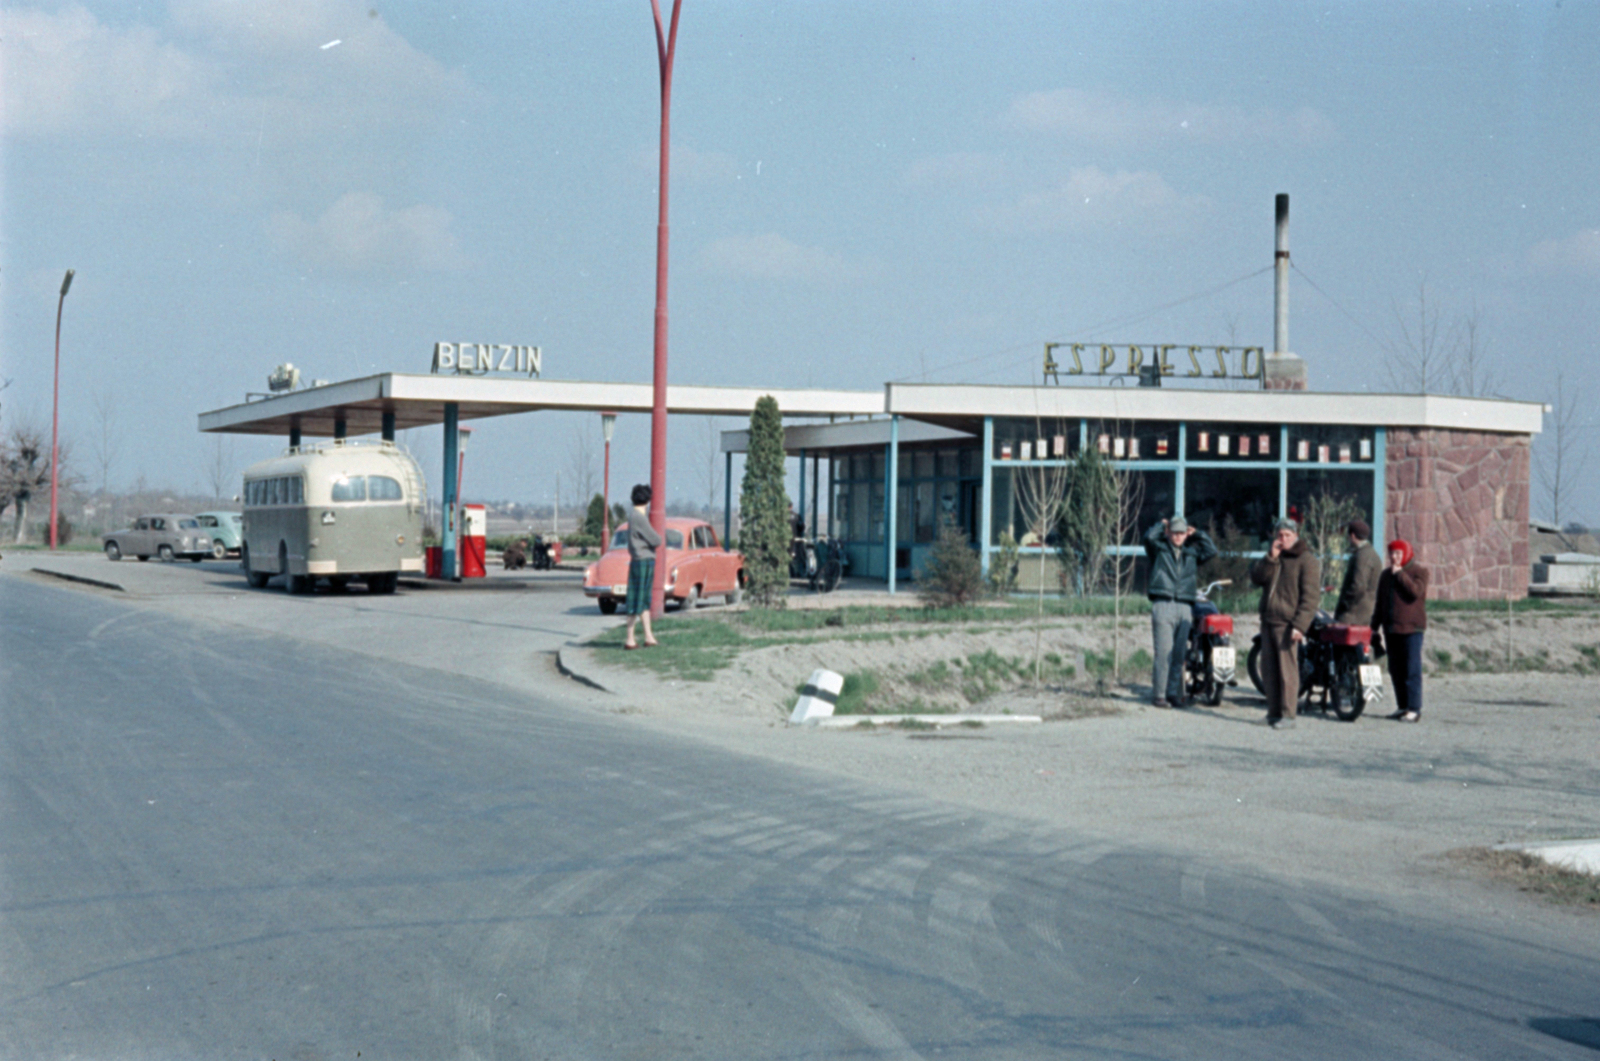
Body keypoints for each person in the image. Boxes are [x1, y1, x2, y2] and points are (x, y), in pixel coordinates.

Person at [1249, 517, 1321, 729]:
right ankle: (1273, 712)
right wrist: (1270, 557)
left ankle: (1289, 715)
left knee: (1287, 671)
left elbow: (1310, 598)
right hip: (1268, 620)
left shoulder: (1306, 560)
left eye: (1287, 535)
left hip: (1287, 623)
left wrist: (1300, 625)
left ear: (1296, 536)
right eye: (1280, 535)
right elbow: (1256, 578)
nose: (1283, 539)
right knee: (1269, 670)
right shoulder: (1274, 557)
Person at [1142, 515, 1218, 707]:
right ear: (1168, 533)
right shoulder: (1159, 550)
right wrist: (1161, 525)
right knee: (1164, 652)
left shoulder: (1191, 554)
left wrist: (1198, 534)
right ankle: (1159, 695)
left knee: (1179, 654)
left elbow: (1211, 550)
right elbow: (1149, 538)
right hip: (1163, 603)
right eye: (1174, 532)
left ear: (1186, 534)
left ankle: (1173, 693)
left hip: (1185, 606)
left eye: (1181, 532)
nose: (1178, 536)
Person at [1373, 538, 1429, 722]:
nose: (1394, 557)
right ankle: (1402, 706)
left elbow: (1415, 592)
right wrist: (1373, 627)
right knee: (1395, 669)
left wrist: (1400, 574)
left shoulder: (1419, 572)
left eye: (1398, 553)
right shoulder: (1385, 575)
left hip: (1412, 628)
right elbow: (1380, 603)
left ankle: (1414, 708)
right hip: (1391, 629)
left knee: (1411, 668)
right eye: (1392, 553)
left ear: (1407, 553)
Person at [623, 483, 661, 650]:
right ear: (647, 500)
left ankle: (648, 636)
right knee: (638, 600)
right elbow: (656, 540)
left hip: (638, 560)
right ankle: (630, 639)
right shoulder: (640, 518)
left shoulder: (632, 516)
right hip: (644, 560)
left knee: (642, 599)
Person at [1333, 518, 1382, 628]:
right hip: (1361, 614)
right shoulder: (1371, 554)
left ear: (1353, 535)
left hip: (1354, 616)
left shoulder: (1363, 556)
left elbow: (1358, 586)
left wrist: (1345, 604)